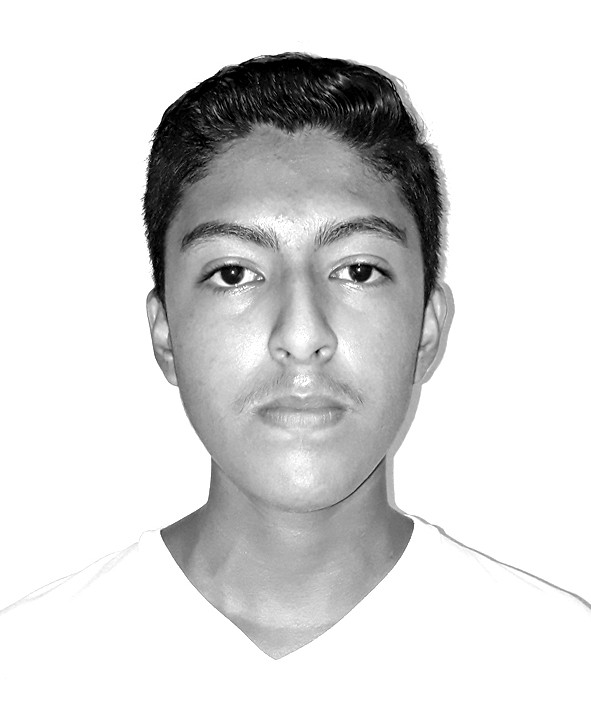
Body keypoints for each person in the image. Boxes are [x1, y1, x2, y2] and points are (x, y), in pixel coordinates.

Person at [1, 53, 589, 707]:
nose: (303, 333)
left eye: (358, 270)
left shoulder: (563, 666)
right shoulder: (25, 667)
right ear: (165, 333)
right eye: (233, 273)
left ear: (426, 330)